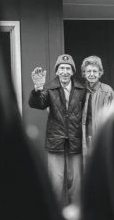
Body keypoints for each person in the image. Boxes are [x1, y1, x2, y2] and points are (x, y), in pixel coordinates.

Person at [28, 54, 85, 207]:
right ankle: (56, 215)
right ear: (57, 71)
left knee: (76, 181)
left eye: (68, 68)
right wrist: (37, 89)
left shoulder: (81, 89)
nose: (65, 72)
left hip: (76, 139)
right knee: (56, 181)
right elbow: (37, 104)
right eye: (62, 68)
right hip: (56, 140)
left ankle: (76, 212)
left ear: (72, 71)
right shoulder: (49, 88)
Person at [81, 55, 114, 163]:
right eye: (88, 71)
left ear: (100, 73)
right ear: (84, 73)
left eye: (95, 71)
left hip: (101, 133)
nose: (92, 74)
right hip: (83, 135)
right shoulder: (80, 90)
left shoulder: (107, 91)